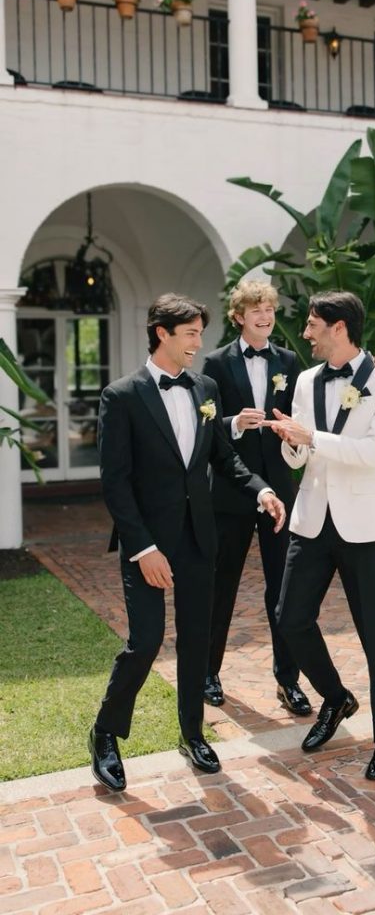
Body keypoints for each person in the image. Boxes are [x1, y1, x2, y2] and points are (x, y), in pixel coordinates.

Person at [89, 293, 285, 792]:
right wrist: (144, 548)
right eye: (191, 334)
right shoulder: (122, 395)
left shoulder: (206, 387)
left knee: (197, 640)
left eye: (201, 332)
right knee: (146, 641)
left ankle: (193, 734)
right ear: (162, 333)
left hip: (200, 536)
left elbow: (222, 457)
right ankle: (106, 733)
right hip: (149, 543)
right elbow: (116, 482)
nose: (199, 343)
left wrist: (260, 489)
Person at [265, 291, 375, 781]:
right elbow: (302, 459)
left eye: (312, 325)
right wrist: (291, 445)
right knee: (289, 618)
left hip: (365, 528)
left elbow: (374, 452)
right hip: (311, 519)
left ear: (340, 327)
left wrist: (312, 438)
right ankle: (336, 697)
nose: (305, 333)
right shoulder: (306, 380)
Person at [201, 280, 311, 716]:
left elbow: (299, 420)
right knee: (220, 585)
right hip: (229, 492)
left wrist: (289, 430)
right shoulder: (214, 363)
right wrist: (233, 422)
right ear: (239, 316)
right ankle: (209, 673)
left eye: (269, 309)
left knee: (281, 589)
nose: (265, 316)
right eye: (255, 310)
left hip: (279, 489)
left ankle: (289, 680)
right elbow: (206, 427)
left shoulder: (288, 361)